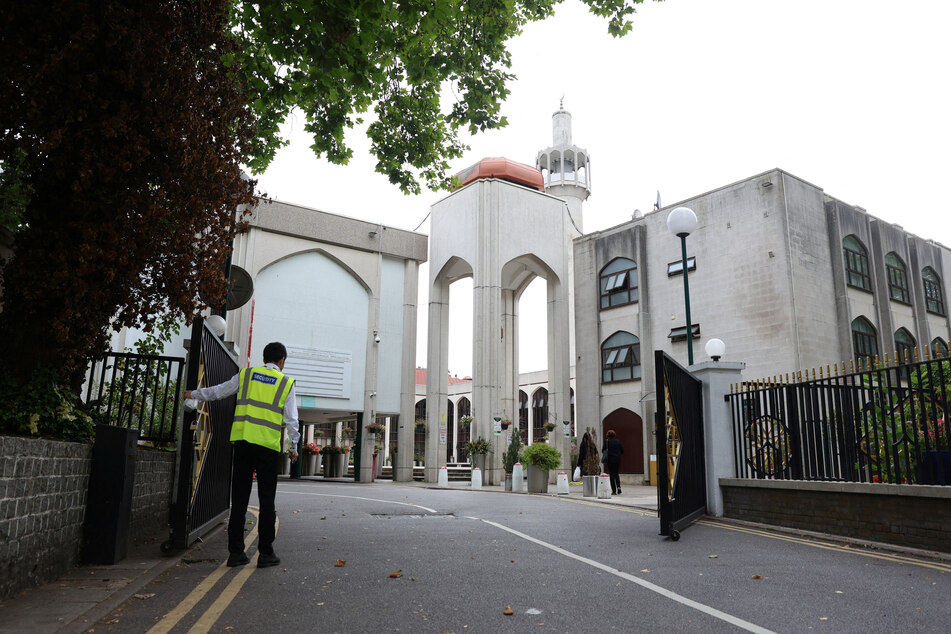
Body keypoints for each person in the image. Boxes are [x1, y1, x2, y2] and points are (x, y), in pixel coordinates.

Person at [184, 341, 299, 568]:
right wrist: (294, 447)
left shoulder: (246, 375)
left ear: (265, 358)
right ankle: (266, 554)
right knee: (267, 502)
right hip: (267, 448)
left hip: (243, 444)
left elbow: (219, 391)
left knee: (239, 501)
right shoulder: (286, 382)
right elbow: (292, 420)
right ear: (282, 360)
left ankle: (236, 554)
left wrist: (193, 393)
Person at [602, 429, 624, 495]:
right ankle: (619, 487)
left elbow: (603, 450)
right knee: (616, 474)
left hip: (610, 460)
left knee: (611, 475)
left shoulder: (606, 442)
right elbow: (622, 450)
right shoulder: (618, 441)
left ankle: (614, 490)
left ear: (608, 435)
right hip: (617, 459)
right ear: (614, 435)